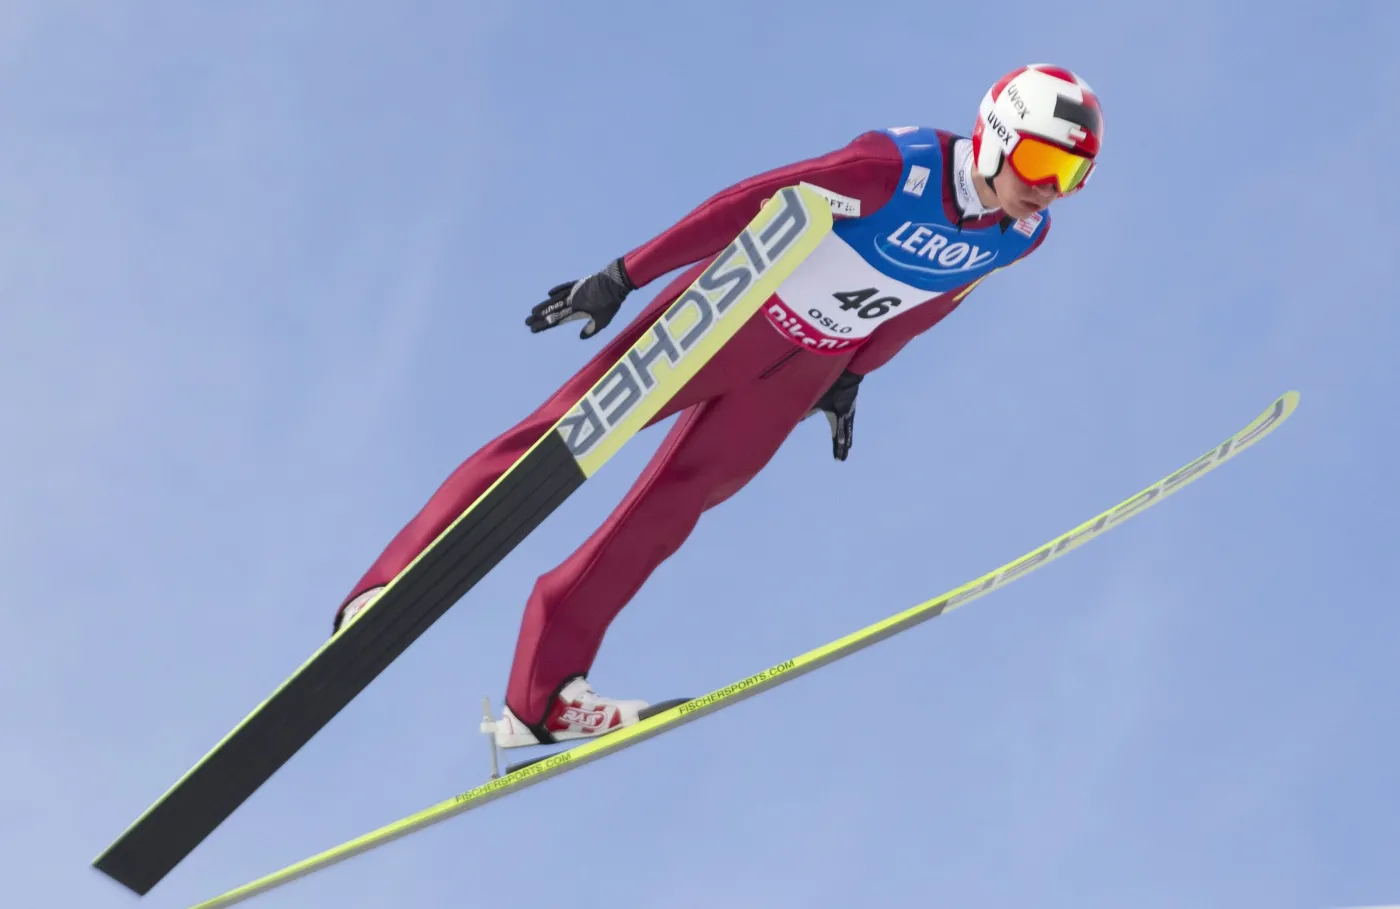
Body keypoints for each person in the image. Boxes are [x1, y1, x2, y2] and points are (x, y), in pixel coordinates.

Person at [333, 63, 1104, 748]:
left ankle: (543, 697)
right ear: (997, 135)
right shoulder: (894, 168)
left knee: (669, 512)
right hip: (730, 317)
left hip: (802, 369)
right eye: (1039, 160)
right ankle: (391, 581)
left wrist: (855, 375)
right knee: (566, 434)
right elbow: (747, 204)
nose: (1046, 187)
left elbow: (927, 304)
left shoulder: (1020, 236)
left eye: (1070, 177)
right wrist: (625, 274)